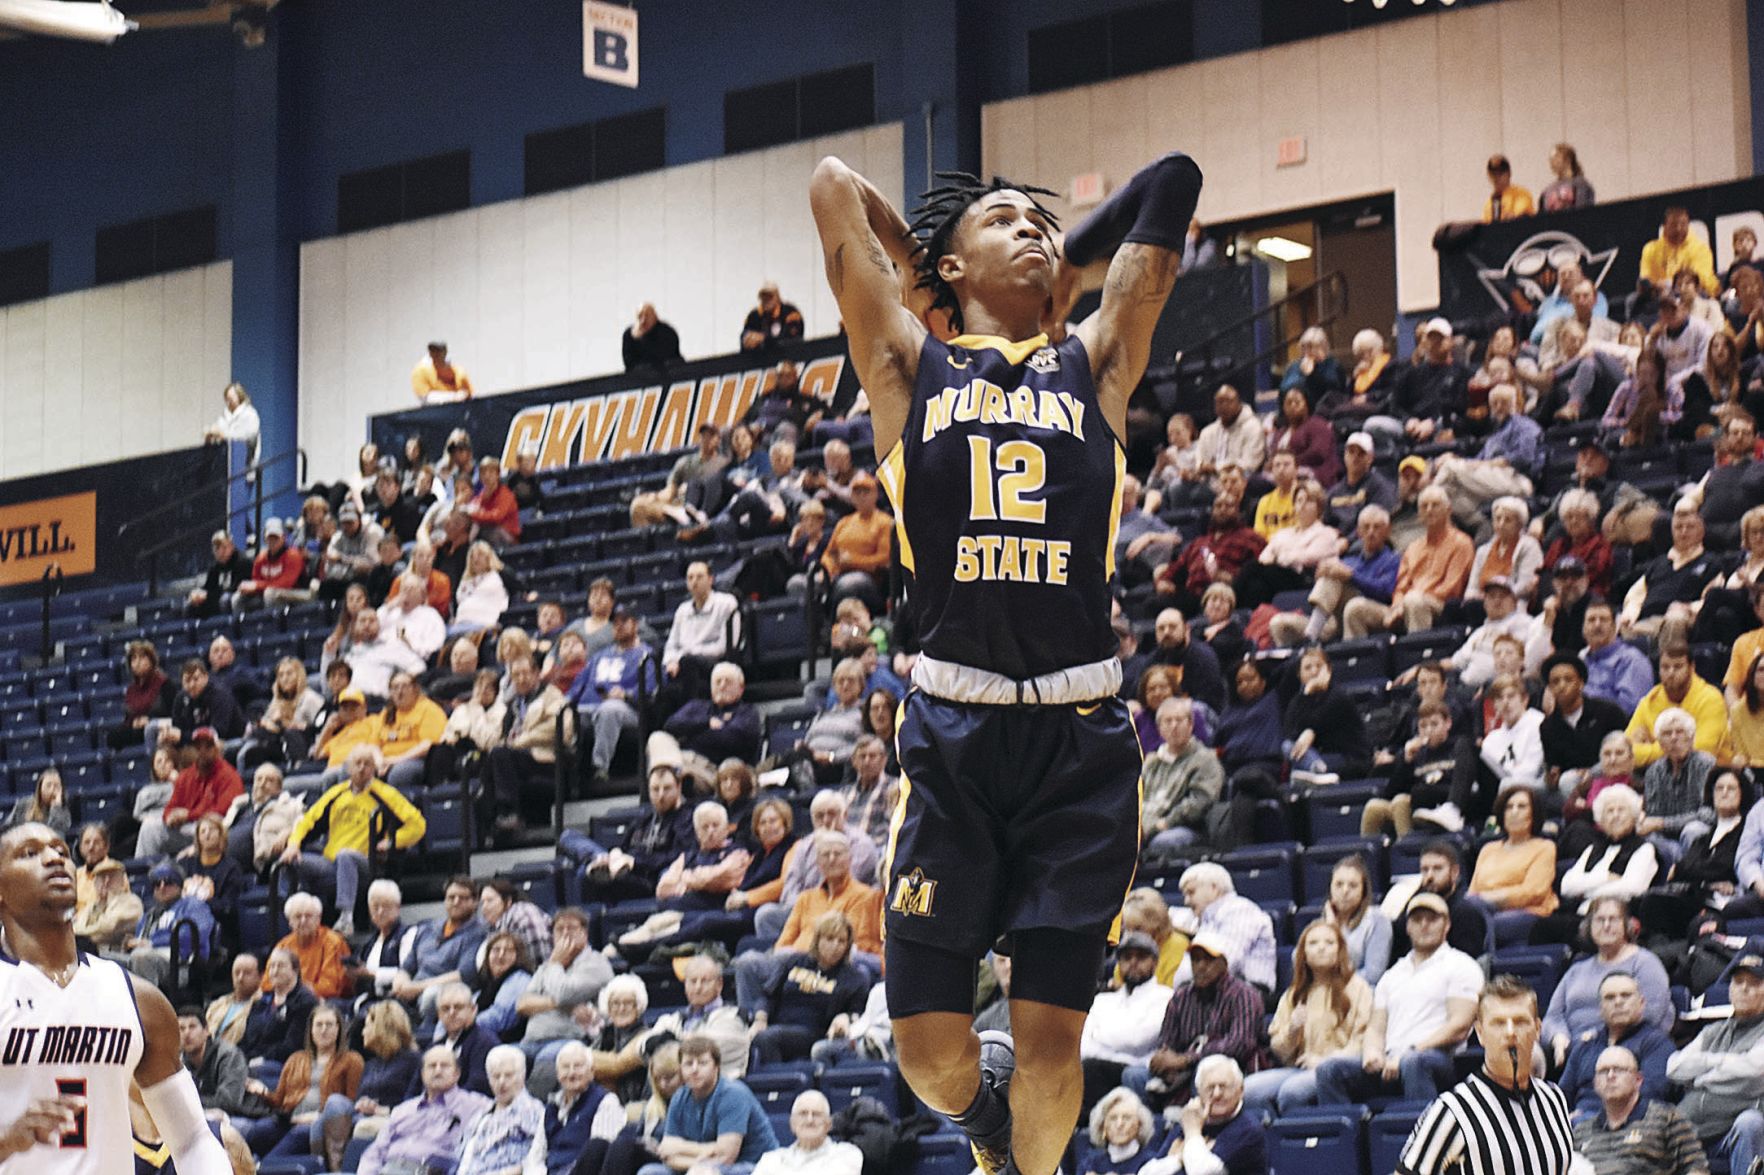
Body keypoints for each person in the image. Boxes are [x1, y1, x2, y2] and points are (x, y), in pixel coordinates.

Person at [812, 144, 1200, 1175]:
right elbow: (830, 183)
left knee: (1051, 1043)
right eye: (1003, 221)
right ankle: (982, 1122)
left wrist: (1054, 253)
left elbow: (1175, 179)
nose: (1029, 229)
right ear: (949, 270)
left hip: (1079, 741)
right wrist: (922, 268)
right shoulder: (907, 363)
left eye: (1040, 222)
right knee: (932, 1059)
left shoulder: (1097, 358)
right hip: (953, 733)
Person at [0, 822, 231, 1172]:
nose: (54, 859)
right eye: (30, 853)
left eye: (62, 851)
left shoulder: (138, 999)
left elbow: (193, 1139)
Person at [1395, 975, 1574, 1175]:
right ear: (1480, 1033)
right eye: (1498, 1023)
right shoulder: (1452, 1111)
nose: (1510, 1032)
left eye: (1520, 1021)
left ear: (1538, 1030)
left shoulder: (1554, 1099)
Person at [1315, 893, 1481, 1105]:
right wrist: (1373, 1053)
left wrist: (1410, 1052)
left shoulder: (1461, 965)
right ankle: (1344, 1137)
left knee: (1414, 1063)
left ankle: (1423, 1134)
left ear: (1446, 925)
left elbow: (1459, 1025)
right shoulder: (1393, 974)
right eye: (1417, 919)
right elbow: (1376, 1028)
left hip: (1436, 1058)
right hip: (1391, 1061)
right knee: (1330, 1070)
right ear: (1408, 927)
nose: (1424, 925)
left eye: (1432, 919)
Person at [279, 744, 426, 936]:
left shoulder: (385, 794)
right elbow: (307, 821)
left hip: (367, 865)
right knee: (291, 863)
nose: (362, 768)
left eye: (367, 764)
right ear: (348, 768)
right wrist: (293, 845)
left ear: (375, 769)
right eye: (358, 763)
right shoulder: (336, 793)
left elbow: (418, 825)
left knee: (346, 855)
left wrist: (392, 843)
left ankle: (346, 919)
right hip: (331, 865)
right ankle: (291, 917)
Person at [1241, 920, 1371, 1117]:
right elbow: (1279, 1049)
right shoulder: (1293, 994)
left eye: (1329, 943)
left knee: (1292, 1092)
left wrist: (1325, 1061)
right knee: (1248, 1091)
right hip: (1299, 1068)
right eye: (1313, 943)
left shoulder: (1357, 988)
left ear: (1340, 950)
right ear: (1304, 954)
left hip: (1338, 1068)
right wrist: (1292, 1030)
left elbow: (1363, 1040)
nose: (1321, 948)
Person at [1540, 896, 1673, 1068]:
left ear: (1626, 925)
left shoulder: (1644, 962)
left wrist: (1597, 1038)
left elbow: (1651, 1013)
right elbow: (1553, 1016)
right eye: (1600, 920)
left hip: (1619, 1050)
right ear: (1589, 927)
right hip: (1568, 1051)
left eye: (1613, 919)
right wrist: (1558, 1038)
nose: (1606, 925)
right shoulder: (1577, 969)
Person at [1667, 951, 1764, 1174]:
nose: (1744, 989)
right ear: (1729, 990)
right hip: (1692, 1128)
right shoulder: (1713, 1031)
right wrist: (1723, 1065)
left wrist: (1700, 1076)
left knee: (1750, 1123)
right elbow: (1674, 1068)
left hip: (1731, 1131)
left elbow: (1753, 1073)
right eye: (1738, 982)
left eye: (1755, 983)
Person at [1344, 486, 1473, 637]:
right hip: (1404, 605)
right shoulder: (1413, 548)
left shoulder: (1462, 543)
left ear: (1448, 510)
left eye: (1435, 505)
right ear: (1419, 514)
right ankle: (1359, 660)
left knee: (1414, 600)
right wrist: (1398, 605)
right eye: (1424, 506)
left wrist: (1406, 602)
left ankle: (1417, 658)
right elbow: (1400, 587)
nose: (1429, 510)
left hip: (1438, 605)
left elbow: (1451, 588)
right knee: (1355, 608)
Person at [639, 1035, 777, 1175]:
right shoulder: (679, 1097)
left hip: (753, 1167)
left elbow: (725, 1157)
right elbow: (668, 1155)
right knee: (649, 1172)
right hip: (701, 1167)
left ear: (716, 1067)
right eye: (688, 1063)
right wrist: (703, 1157)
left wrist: (680, 1147)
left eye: (702, 1063)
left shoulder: (733, 1094)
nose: (694, 1069)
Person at [243, 1003, 363, 1161]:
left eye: (329, 1025)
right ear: (311, 1030)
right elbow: (279, 1101)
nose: (323, 1030)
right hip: (290, 1120)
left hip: (317, 1124)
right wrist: (264, 1093)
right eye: (319, 1025)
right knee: (259, 1131)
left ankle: (263, 1167)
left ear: (339, 1029)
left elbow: (349, 1103)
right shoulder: (295, 1059)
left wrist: (321, 1116)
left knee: (297, 1136)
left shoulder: (352, 1060)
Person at [1573, 1044, 1707, 1175]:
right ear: (1595, 1083)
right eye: (1603, 1071)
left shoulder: (1667, 1118)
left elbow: (1697, 1167)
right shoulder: (1581, 1131)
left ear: (1638, 1080)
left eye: (1619, 1070)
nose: (1610, 1076)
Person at [1556, 973, 1674, 1120]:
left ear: (1641, 1003)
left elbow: (1651, 1096)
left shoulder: (1656, 1044)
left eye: (1626, 995)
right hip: (1577, 1126)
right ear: (1600, 1008)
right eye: (1610, 997)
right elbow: (1561, 1097)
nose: (1618, 1002)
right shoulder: (1585, 1046)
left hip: (1630, 1126)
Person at [356, 1046, 490, 1175]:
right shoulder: (403, 1109)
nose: (438, 1071)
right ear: (422, 1074)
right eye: (432, 1066)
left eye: (444, 1066)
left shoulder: (476, 1106)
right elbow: (376, 1152)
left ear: (457, 1074)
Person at [1077, 931, 1171, 1111]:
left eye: (1141, 957)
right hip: (1098, 1071)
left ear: (1155, 962)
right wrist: (1117, 1042)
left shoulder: (1165, 997)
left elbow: (1136, 1039)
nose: (1133, 962)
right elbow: (1084, 1047)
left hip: (1136, 1072)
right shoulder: (1103, 1000)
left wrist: (1100, 1034)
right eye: (1127, 957)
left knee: (1091, 1069)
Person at [1136, 1056, 1266, 1175]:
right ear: (1198, 1092)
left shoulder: (1248, 1129)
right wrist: (1178, 1160)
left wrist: (1192, 1133)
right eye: (1210, 1088)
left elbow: (1203, 1173)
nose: (1217, 1094)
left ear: (1241, 1090)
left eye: (1224, 1086)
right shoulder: (1189, 1122)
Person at [1139, 698, 1225, 854]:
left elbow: (1200, 801)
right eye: (1168, 721)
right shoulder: (1151, 762)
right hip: (1145, 827)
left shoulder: (1206, 759)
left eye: (1179, 720)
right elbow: (1136, 799)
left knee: (1163, 843)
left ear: (1191, 725)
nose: (1174, 726)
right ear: (1160, 729)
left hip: (1185, 827)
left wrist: (1164, 823)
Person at [455, 1046, 546, 1175]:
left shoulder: (532, 1110)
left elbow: (537, 1159)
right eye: (496, 1076)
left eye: (508, 1075)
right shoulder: (481, 1116)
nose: (502, 1082)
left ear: (522, 1076)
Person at [752, 1089, 861, 1175]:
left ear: (828, 1124)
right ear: (792, 1123)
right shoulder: (771, 1159)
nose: (809, 1120)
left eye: (816, 1114)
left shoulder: (847, 1154)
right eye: (803, 1113)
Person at [1640, 206, 1718, 296]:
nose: (1678, 229)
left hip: (1695, 293)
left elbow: (1699, 279)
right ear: (1664, 226)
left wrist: (1670, 284)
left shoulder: (1700, 249)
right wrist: (1657, 286)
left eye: (1683, 224)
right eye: (1673, 225)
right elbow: (1645, 279)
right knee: (1633, 299)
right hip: (1661, 295)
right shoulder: (1650, 249)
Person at [741, 282, 804, 354]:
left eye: (770, 296)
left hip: (788, 359)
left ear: (778, 297)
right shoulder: (754, 316)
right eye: (763, 297)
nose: (766, 300)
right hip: (761, 361)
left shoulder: (790, 313)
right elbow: (744, 336)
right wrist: (747, 340)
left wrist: (763, 339)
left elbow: (792, 341)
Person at [624, 302, 682, 374]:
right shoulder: (629, 335)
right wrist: (638, 338)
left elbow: (665, 357)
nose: (643, 320)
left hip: (668, 372)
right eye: (640, 316)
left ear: (655, 316)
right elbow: (629, 363)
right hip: (641, 376)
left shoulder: (666, 332)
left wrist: (645, 338)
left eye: (647, 316)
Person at [1481, 154, 1535, 222]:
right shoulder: (1489, 204)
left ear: (1509, 174)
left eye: (1500, 174)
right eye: (1493, 174)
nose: (1496, 178)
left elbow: (1520, 215)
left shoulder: (1521, 194)